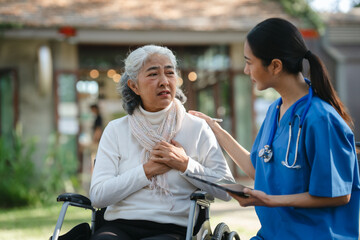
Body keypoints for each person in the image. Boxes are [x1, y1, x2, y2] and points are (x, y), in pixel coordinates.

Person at [190, 18, 360, 239]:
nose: (245, 69)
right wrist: (215, 130)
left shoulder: (322, 119)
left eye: (249, 62)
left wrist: (270, 200)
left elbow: (339, 195)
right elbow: (257, 169)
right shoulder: (275, 110)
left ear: (275, 65)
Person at [89, 45, 234, 240]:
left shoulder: (196, 128)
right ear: (134, 86)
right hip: (119, 225)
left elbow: (228, 190)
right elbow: (98, 196)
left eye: (169, 73)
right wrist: (147, 170)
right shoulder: (116, 130)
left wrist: (185, 164)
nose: (164, 81)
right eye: (153, 74)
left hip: (174, 228)